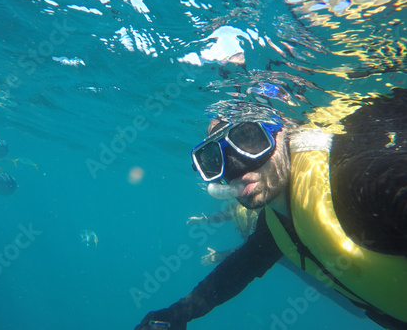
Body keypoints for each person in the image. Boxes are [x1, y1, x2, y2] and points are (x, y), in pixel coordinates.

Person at [135, 88, 407, 330]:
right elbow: (237, 271)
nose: (236, 168)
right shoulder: (276, 225)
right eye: (214, 159)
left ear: (281, 130)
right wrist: (175, 315)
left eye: (249, 140)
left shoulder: (358, 181)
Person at [186, 201, 260, 265]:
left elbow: (252, 245)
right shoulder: (237, 204)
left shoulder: (255, 211)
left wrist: (221, 256)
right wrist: (205, 220)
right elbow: (225, 215)